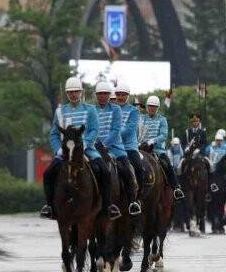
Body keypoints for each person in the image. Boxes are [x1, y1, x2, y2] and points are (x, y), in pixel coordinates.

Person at [40, 77, 119, 220]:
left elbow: (94, 130)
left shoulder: (90, 110)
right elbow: (54, 134)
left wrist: (84, 144)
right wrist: (58, 149)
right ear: (66, 94)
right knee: (48, 173)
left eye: (76, 91)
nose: (73, 95)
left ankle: (108, 206)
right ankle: (50, 206)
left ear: (81, 92)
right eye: (70, 92)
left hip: (87, 149)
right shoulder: (60, 112)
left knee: (104, 172)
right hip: (66, 151)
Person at [95, 81, 141, 216]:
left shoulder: (133, 110)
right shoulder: (96, 110)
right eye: (119, 94)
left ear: (128, 96)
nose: (120, 97)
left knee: (133, 168)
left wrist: (105, 142)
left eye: (123, 95)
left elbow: (127, 129)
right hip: (98, 147)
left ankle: (134, 200)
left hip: (123, 147)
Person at [139, 96, 185, 200]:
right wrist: (138, 143)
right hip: (141, 148)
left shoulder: (162, 120)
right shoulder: (141, 118)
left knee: (166, 163)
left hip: (157, 149)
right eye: (150, 106)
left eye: (154, 107)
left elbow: (163, 135)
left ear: (157, 108)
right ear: (147, 107)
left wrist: (152, 141)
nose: (152, 108)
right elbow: (136, 133)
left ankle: (176, 188)